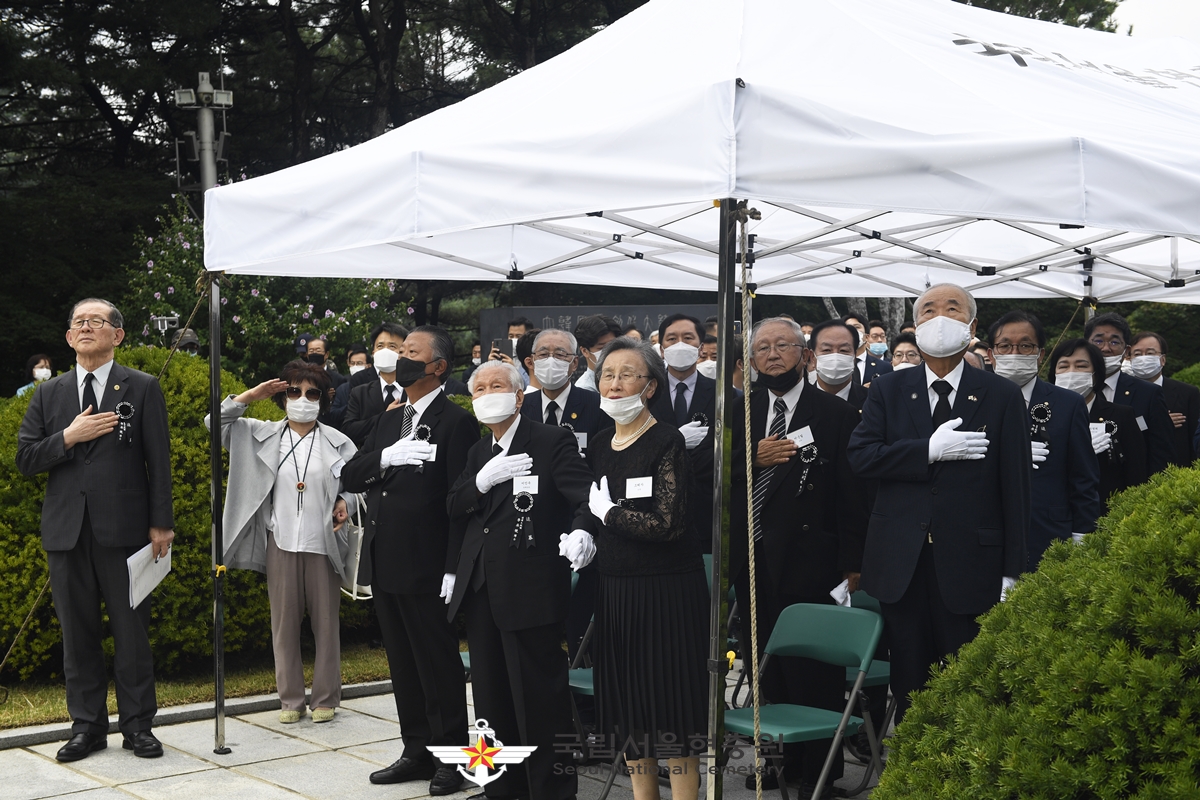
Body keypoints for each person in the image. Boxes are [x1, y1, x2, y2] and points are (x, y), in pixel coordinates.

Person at [847, 284, 1029, 723]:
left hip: (972, 562)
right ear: (916, 325)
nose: (939, 316)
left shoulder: (1000, 394)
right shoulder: (888, 389)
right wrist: (925, 450)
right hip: (901, 562)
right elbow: (862, 455)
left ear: (971, 326)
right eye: (928, 310)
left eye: (952, 309)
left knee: (970, 680)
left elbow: (1017, 486)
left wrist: (1015, 570)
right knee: (909, 679)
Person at [16, 298, 174, 761]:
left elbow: (158, 461)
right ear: (68, 338)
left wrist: (161, 524)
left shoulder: (141, 387)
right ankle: (86, 727)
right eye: (78, 323)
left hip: (124, 531)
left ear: (117, 335)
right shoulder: (48, 394)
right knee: (78, 635)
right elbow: (25, 458)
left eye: (96, 322)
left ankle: (138, 727)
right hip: (66, 533)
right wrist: (69, 436)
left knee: (132, 633)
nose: (86, 328)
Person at [730, 317, 867, 796]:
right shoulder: (736, 412)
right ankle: (774, 763)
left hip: (813, 562)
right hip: (753, 561)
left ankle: (821, 773)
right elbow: (714, 485)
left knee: (815, 674)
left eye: (782, 346)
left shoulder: (834, 415)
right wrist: (751, 458)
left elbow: (852, 496)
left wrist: (853, 563)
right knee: (765, 669)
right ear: (750, 361)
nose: (772, 355)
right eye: (762, 348)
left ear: (804, 356)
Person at [446, 361, 595, 800]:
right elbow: (454, 504)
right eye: (479, 388)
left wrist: (585, 528)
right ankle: (503, 789)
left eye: (497, 385)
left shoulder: (550, 439)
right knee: (491, 701)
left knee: (540, 700)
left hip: (530, 588)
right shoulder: (480, 450)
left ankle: (551, 790)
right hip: (482, 589)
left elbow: (584, 495)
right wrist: (479, 481)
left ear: (518, 395)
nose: (487, 393)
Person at [341, 325, 479, 795]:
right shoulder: (388, 419)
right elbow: (352, 473)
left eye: (411, 352)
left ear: (437, 366)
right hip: (386, 558)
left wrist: (452, 565)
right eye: (399, 351)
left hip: (427, 563)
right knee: (402, 663)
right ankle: (416, 750)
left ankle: (451, 757)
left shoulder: (456, 423)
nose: (400, 358)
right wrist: (387, 456)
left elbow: (461, 500)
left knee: (436, 664)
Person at [583, 337, 705, 800]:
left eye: (627, 374)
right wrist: (584, 531)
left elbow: (668, 524)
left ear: (650, 386)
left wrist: (608, 514)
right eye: (607, 374)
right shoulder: (599, 442)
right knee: (627, 702)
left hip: (666, 591)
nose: (614, 384)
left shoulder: (666, 439)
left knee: (671, 702)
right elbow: (589, 506)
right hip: (615, 587)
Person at [207, 360, 357, 724]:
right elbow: (214, 425)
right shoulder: (258, 433)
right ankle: (289, 700)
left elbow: (358, 488)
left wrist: (345, 503)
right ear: (282, 396)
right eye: (293, 391)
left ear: (323, 400)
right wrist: (250, 396)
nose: (301, 399)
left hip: (323, 545)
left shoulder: (339, 442)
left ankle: (325, 697)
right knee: (283, 626)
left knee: (326, 625)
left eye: (311, 393)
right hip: (280, 541)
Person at [519, 328, 613, 668]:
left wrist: (586, 524)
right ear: (529, 361)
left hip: (583, 523)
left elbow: (604, 468)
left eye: (560, 355)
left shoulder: (596, 405)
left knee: (579, 622)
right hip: (532, 522)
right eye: (543, 353)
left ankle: (586, 710)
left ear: (575, 363)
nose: (551, 361)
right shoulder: (520, 405)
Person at [987, 311, 1099, 568]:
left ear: (1041, 354)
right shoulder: (972, 400)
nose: (1014, 352)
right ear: (992, 355)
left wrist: (1082, 535)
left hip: (1049, 535)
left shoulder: (1068, 404)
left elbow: (1083, 477)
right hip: (986, 536)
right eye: (1005, 346)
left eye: (1026, 345)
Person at [1048, 339, 1147, 517]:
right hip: (1054, 516)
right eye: (1063, 366)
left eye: (1081, 366)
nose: (1071, 373)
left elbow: (1136, 474)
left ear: (1096, 373)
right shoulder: (1041, 415)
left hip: (1107, 515)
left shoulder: (1121, 415)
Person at [649, 314, 716, 553]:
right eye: (672, 339)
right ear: (662, 348)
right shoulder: (645, 394)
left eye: (688, 339)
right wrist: (676, 440)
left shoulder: (724, 395)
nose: (679, 344)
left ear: (700, 348)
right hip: (655, 508)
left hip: (706, 509)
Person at [1083, 312, 1173, 476]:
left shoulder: (1148, 393)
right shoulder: (1069, 389)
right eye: (1098, 341)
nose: (1106, 348)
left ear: (1126, 351)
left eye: (1114, 342)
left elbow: (1161, 453)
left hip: (1131, 491)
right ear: (1085, 345)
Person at [1129, 332, 1199, 466]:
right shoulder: (1120, 393)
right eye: (1137, 354)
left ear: (1163, 359)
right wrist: (1160, 424)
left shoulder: (1188, 393)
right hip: (1137, 472)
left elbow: (1194, 438)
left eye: (1150, 353)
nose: (1143, 358)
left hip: (1177, 473)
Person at [343, 322, 408, 446]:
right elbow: (348, 431)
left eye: (392, 346)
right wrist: (384, 417)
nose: (385, 351)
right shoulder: (360, 392)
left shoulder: (416, 390)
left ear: (404, 351)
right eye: (380, 346)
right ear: (373, 352)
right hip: (371, 460)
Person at [810, 319, 867, 410]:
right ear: (813, 358)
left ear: (854, 357)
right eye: (827, 350)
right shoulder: (799, 402)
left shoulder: (872, 400)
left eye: (843, 350)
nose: (835, 356)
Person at [572, 315, 621, 392]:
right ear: (585, 351)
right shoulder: (586, 389)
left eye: (614, 345)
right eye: (602, 348)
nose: (609, 351)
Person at [843, 313, 892, 386]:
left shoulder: (885, 367)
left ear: (867, 336)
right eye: (849, 328)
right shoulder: (835, 364)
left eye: (857, 327)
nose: (853, 331)